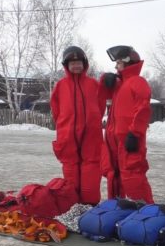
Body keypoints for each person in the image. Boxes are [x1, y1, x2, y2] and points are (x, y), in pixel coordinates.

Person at [49, 46, 105, 205]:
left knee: (91, 172)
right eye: (72, 63)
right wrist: (66, 125)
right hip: (68, 137)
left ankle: (90, 207)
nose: (76, 65)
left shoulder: (93, 84)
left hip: (91, 136)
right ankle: (72, 207)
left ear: (84, 64)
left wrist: (90, 123)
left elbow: (100, 107)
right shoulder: (61, 86)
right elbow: (56, 110)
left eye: (79, 62)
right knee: (71, 174)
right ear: (66, 66)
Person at [101, 45, 153, 203]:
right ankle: (119, 211)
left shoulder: (137, 82)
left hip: (129, 140)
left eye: (118, 63)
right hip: (114, 141)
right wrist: (106, 79)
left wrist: (135, 134)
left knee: (133, 177)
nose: (116, 66)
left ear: (127, 62)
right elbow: (100, 93)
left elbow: (143, 109)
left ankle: (146, 212)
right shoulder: (119, 84)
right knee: (115, 176)